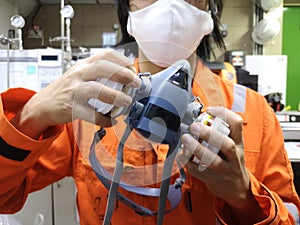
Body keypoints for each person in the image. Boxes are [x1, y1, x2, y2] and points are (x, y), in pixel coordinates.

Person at [0, 0, 299, 224]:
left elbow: (290, 216)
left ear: (209, 10)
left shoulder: (253, 113)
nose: (170, 4)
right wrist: (33, 115)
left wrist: (243, 195)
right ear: (129, 10)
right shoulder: (90, 103)